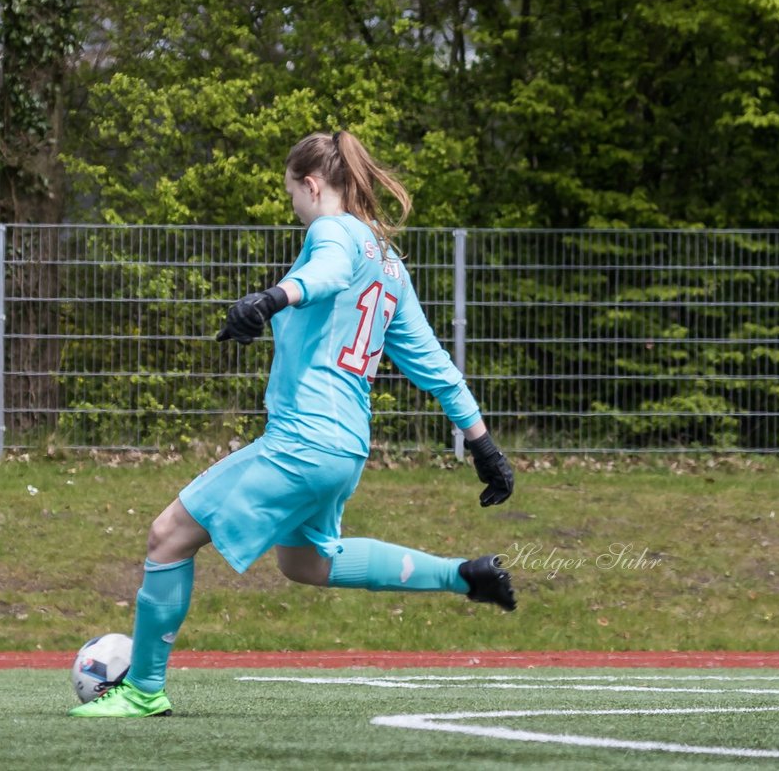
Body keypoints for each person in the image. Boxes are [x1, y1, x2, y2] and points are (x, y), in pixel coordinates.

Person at [70, 130, 517, 718]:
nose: (296, 210)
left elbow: (327, 271)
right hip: (346, 448)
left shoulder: (332, 231)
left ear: (311, 185)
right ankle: (463, 575)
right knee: (304, 562)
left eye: (293, 196)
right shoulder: (389, 264)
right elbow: (433, 361)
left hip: (304, 439)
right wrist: (483, 444)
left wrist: (272, 298)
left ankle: (143, 690)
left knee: (167, 537)